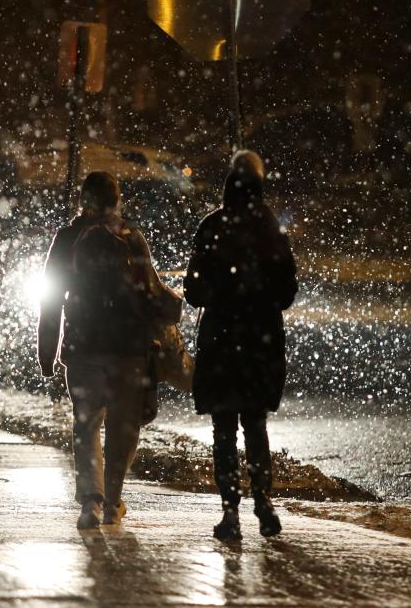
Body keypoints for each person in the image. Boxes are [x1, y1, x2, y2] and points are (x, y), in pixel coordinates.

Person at [37, 171, 164, 529]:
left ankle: (90, 502)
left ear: (83, 198)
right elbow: (150, 294)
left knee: (86, 424)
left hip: (84, 345)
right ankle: (113, 501)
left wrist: (47, 353)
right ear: (116, 200)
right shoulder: (131, 237)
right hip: (128, 347)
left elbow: (49, 300)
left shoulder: (66, 239)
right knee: (124, 425)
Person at [184, 150, 298, 540]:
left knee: (224, 430)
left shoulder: (211, 227)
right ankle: (263, 501)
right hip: (259, 340)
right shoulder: (271, 229)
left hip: (220, 339)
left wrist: (221, 292)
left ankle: (230, 510)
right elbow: (286, 294)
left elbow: (193, 292)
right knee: (255, 425)